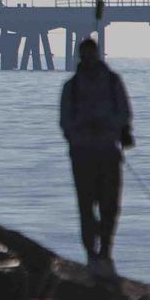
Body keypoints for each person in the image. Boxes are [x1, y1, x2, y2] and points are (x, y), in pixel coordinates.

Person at [59, 37, 133, 279]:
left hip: (108, 152)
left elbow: (124, 113)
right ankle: (91, 254)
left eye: (92, 54)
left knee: (110, 206)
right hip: (82, 153)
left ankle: (106, 252)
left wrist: (109, 125)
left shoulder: (113, 82)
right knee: (86, 207)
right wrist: (82, 128)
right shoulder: (71, 86)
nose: (89, 58)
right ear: (80, 56)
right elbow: (65, 121)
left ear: (98, 54)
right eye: (85, 54)